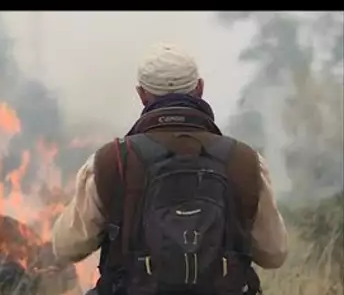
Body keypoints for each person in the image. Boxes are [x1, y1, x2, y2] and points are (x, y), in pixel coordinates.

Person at [51, 44, 288, 295]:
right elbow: (274, 254)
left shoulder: (112, 161)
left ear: (142, 94)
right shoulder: (245, 161)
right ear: (200, 88)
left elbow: (67, 247)